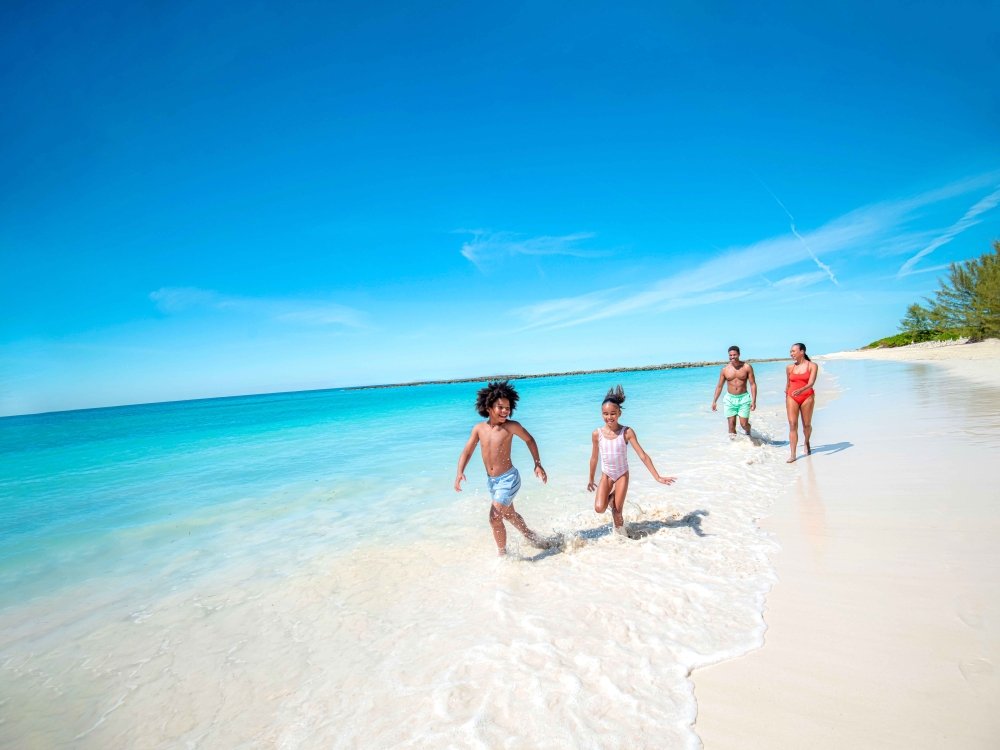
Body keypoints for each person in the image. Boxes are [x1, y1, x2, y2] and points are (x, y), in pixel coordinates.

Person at [454, 380, 548, 556]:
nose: (505, 411)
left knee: (494, 518)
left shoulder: (511, 427)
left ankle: (503, 556)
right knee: (509, 515)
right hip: (493, 482)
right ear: (488, 407)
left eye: (508, 407)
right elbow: (467, 451)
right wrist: (460, 472)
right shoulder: (478, 429)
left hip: (509, 479)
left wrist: (537, 464)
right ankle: (530, 535)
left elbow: (530, 440)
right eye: (500, 407)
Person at [587, 385, 676, 529]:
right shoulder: (597, 434)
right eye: (605, 414)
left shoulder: (626, 432)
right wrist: (591, 479)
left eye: (613, 413)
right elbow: (594, 458)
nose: (609, 417)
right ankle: (611, 498)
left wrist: (657, 477)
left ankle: (622, 539)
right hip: (607, 475)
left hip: (622, 474)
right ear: (602, 414)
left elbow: (642, 455)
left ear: (619, 413)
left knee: (617, 512)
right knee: (599, 508)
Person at [711, 345, 757, 435]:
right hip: (730, 399)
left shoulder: (747, 367)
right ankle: (733, 446)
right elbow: (719, 386)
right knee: (731, 426)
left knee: (744, 424)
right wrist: (714, 401)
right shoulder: (725, 370)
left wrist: (754, 401)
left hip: (743, 398)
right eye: (730, 355)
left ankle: (748, 431)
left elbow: (753, 384)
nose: (732, 357)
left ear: (739, 354)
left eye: (734, 355)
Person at [785, 342, 819, 463]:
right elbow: (788, 385)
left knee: (806, 425)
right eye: (790, 351)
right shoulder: (790, 367)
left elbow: (811, 383)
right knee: (792, 424)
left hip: (807, 396)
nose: (791, 353)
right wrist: (787, 396)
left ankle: (806, 441)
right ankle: (793, 455)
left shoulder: (812, 365)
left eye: (793, 351)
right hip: (792, 397)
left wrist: (802, 389)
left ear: (802, 351)